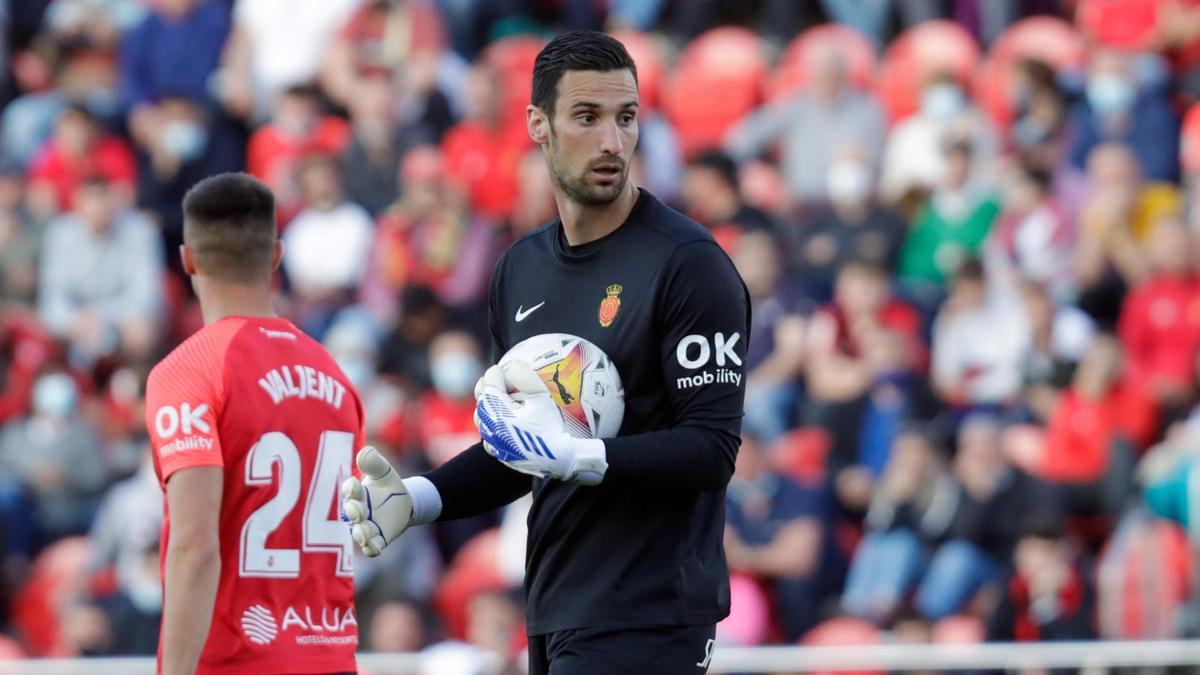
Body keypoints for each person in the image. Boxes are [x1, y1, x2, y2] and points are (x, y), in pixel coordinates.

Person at [341, 31, 750, 674]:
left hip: (652, 609)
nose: (612, 140)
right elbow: (524, 452)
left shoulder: (689, 266)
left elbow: (712, 449)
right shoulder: (519, 270)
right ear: (538, 124)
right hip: (555, 601)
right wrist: (420, 499)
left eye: (627, 117)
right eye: (587, 117)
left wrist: (580, 455)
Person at [144, 173, 363, 674]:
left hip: (237, 660)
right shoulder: (334, 373)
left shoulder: (188, 371)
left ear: (187, 260)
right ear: (276, 257)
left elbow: (195, 546)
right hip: (330, 656)